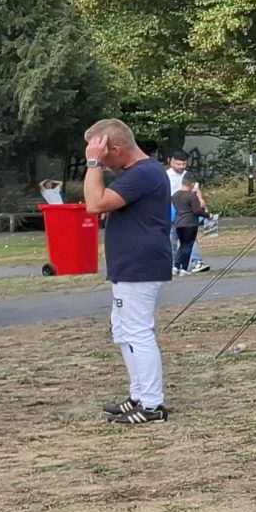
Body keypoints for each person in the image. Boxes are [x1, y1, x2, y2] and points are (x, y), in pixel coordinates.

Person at [81, 119, 172, 425]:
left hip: (140, 264)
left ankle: (152, 404)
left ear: (117, 149)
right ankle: (139, 395)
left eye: (103, 155)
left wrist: (93, 164)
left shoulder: (143, 173)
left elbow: (95, 204)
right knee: (123, 331)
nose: (103, 163)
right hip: (131, 263)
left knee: (137, 332)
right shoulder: (143, 173)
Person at [162, 151, 211, 273]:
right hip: (171, 209)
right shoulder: (165, 175)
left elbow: (196, 190)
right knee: (172, 237)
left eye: (183, 164)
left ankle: (196, 261)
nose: (181, 167)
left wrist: (201, 200)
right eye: (178, 164)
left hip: (187, 210)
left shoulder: (188, 175)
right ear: (171, 162)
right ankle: (173, 263)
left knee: (190, 238)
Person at [171, 171, 209, 275]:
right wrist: (207, 215)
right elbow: (196, 211)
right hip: (190, 223)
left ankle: (176, 266)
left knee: (182, 245)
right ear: (192, 184)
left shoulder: (175, 195)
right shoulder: (192, 196)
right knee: (188, 246)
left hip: (179, 222)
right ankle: (184, 268)